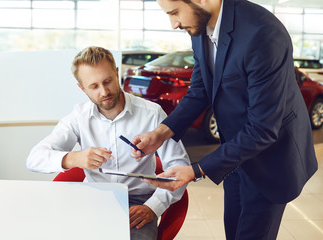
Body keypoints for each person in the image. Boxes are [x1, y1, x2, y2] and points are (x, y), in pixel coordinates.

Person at [130, 0, 318, 239]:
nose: (174, 24)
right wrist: (160, 134)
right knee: (234, 229)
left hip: (270, 159)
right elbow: (200, 91)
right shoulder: (200, 27)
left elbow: (263, 129)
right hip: (233, 157)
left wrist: (195, 171)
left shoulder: (263, 33)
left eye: (175, 12)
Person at [26, 46, 190, 240]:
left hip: (138, 201)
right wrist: (73, 157)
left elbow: (180, 168)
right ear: (82, 88)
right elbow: (34, 159)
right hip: (93, 200)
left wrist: (152, 207)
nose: (104, 92)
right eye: (94, 86)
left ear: (117, 74)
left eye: (107, 81)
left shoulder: (152, 113)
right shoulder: (78, 117)